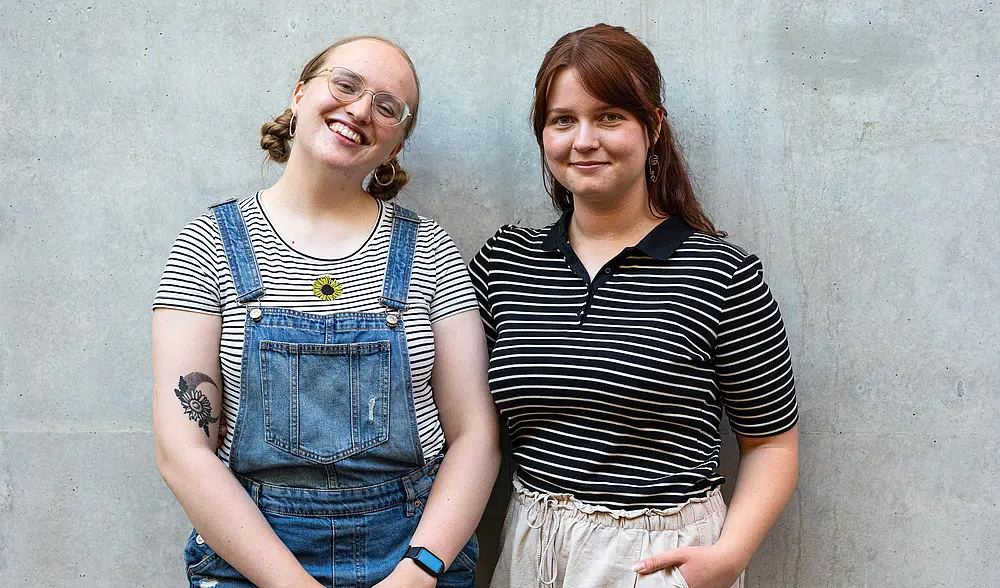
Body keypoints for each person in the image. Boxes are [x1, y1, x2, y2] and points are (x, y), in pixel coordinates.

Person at [152, 35, 499, 588]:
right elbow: (182, 450)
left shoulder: (430, 250)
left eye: (388, 107)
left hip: (412, 553)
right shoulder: (210, 242)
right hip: (252, 559)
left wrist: (422, 568)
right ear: (298, 95)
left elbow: (476, 435)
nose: (360, 109)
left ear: (396, 146)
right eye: (345, 84)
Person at [471, 24, 799, 588]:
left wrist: (729, 556)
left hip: (657, 558)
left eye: (610, 117)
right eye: (562, 120)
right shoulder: (506, 262)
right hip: (529, 547)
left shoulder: (721, 273)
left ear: (653, 126)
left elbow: (771, 441)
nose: (584, 140)